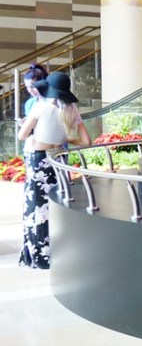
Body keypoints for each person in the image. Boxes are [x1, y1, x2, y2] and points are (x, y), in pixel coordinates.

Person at [16, 71, 90, 269]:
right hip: (58, 160)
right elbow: (86, 141)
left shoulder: (40, 107)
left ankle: (39, 255)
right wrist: (66, 138)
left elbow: (22, 135)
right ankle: (59, 252)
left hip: (38, 161)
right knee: (56, 205)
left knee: (35, 208)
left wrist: (33, 128)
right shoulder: (71, 110)